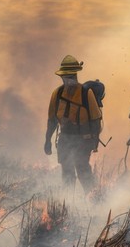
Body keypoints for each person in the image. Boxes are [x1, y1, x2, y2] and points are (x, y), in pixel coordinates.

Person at [44, 54, 102, 192]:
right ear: (62, 77)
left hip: (83, 138)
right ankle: (68, 201)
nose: (68, 80)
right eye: (65, 77)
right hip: (65, 137)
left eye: (70, 77)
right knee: (66, 170)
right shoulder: (56, 94)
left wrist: (94, 141)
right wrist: (47, 140)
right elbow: (52, 120)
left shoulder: (86, 93)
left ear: (75, 76)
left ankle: (93, 198)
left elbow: (95, 120)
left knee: (82, 168)